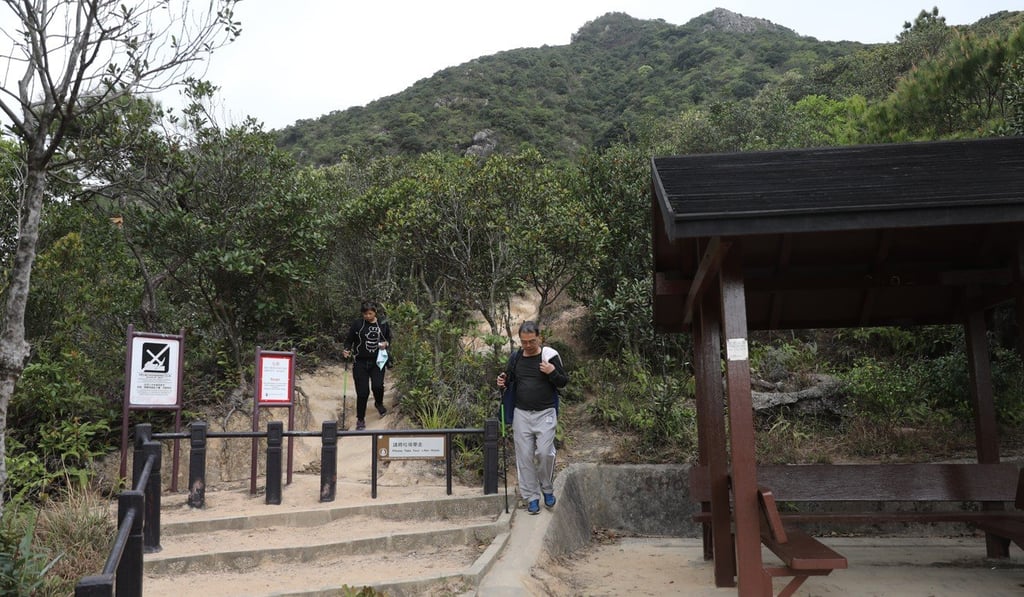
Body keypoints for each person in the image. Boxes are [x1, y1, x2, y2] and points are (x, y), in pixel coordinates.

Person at [496, 321, 569, 515]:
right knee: (524, 456)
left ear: (540, 338)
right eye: (524, 342)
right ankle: (532, 497)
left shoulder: (549, 356)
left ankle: (547, 488)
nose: (527, 345)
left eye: (531, 341)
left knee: (545, 453)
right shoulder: (516, 357)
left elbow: (563, 382)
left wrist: (552, 372)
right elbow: (508, 379)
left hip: (545, 413)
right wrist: (502, 381)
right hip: (521, 413)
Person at [342, 301, 392, 430]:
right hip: (360, 362)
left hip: (378, 361)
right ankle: (360, 419)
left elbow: (388, 338)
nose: (368, 316)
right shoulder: (357, 324)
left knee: (377, 386)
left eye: (370, 313)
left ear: (375, 312)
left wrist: (385, 344)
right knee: (363, 392)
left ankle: (379, 403)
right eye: (365, 314)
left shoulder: (383, 323)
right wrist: (346, 349)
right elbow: (349, 340)